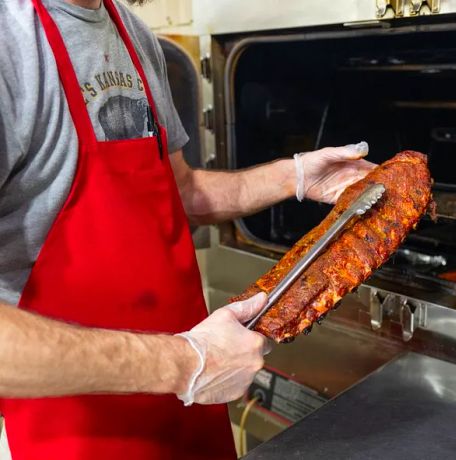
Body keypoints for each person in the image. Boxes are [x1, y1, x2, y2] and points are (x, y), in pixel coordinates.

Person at [0, 0, 375, 458]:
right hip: (81, 421)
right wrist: (185, 363)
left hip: (192, 397)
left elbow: (182, 190)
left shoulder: (130, 31)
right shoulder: (11, 42)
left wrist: (295, 177)